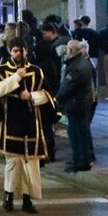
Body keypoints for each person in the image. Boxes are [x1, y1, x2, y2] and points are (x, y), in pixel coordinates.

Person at [0, 40, 51, 213]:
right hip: (12, 120)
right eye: (15, 51)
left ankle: (27, 199)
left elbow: (47, 95)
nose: (19, 54)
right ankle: (8, 196)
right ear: (10, 52)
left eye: (22, 51)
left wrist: (31, 95)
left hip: (31, 120)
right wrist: (17, 77)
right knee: (14, 162)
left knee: (31, 163)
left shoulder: (37, 71)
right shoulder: (1, 71)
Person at [56, 39, 95, 172]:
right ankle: (79, 159)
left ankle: (81, 161)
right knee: (80, 134)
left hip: (76, 105)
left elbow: (67, 87)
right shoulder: (83, 62)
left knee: (77, 135)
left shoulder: (76, 67)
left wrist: (57, 99)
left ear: (71, 51)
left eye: (67, 49)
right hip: (80, 104)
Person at [34, 23, 63, 163]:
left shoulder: (43, 66)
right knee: (47, 128)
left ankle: (47, 152)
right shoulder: (51, 62)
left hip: (45, 99)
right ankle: (48, 152)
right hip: (49, 97)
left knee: (45, 127)